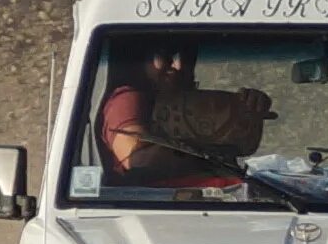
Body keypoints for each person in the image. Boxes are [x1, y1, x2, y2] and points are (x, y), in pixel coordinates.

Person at [98, 43, 272, 181]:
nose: (178, 65)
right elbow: (137, 160)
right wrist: (201, 147)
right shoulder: (128, 99)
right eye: (167, 55)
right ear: (142, 59)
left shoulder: (185, 103)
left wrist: (244, 110)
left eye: (187, 58)